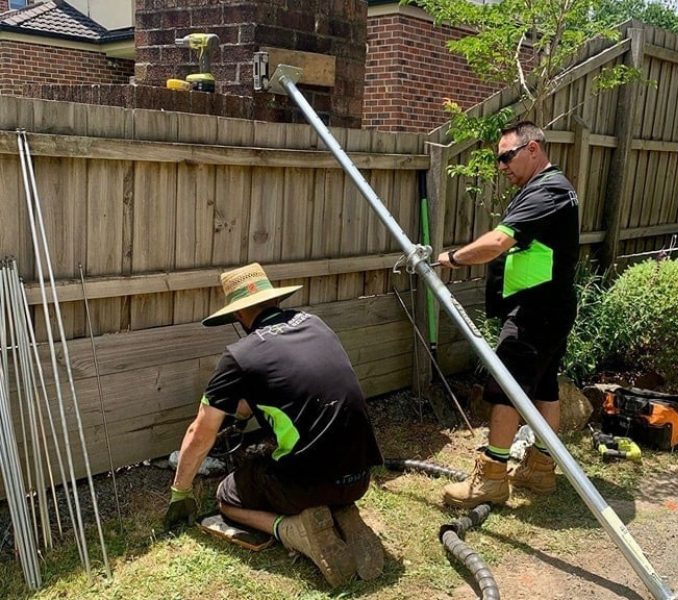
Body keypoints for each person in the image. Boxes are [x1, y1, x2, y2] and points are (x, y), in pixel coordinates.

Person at [164, 263, 385, 587]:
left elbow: (199, 433)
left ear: (238, 316)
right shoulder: (315, 324)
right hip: (359, 477)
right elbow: (284, 388)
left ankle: (295, 532)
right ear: (275, 300)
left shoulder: (240, 357)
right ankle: (340, 511)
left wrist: (179, 493)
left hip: (304, 486)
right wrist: (239, 418)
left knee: (228, 496)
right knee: (316, 468)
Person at [436, 121, 579, 508]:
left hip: (536, 310)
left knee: (505, 390)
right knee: (545, 386)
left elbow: (498, 242)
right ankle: (540, 467)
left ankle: (493, 478)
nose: (501, 166)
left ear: (532, 148)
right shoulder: (550, 188)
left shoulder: (547, 191)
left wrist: (450, 258)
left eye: (506, 157)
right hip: (550, 306)